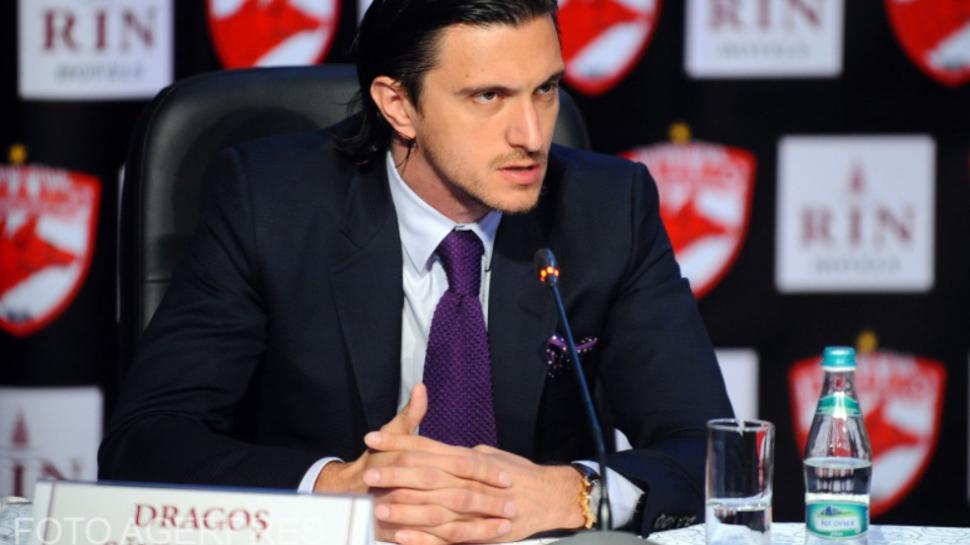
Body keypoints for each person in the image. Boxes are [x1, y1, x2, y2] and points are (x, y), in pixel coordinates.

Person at [99, 1, 733, 543]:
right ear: (398, 105)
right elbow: (145, 441)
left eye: (545, 89)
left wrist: (574, 494)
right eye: (489, 96)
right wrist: (335, 490)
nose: (532, 134)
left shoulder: (608, 208)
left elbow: (710, 452)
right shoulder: (269, 203)